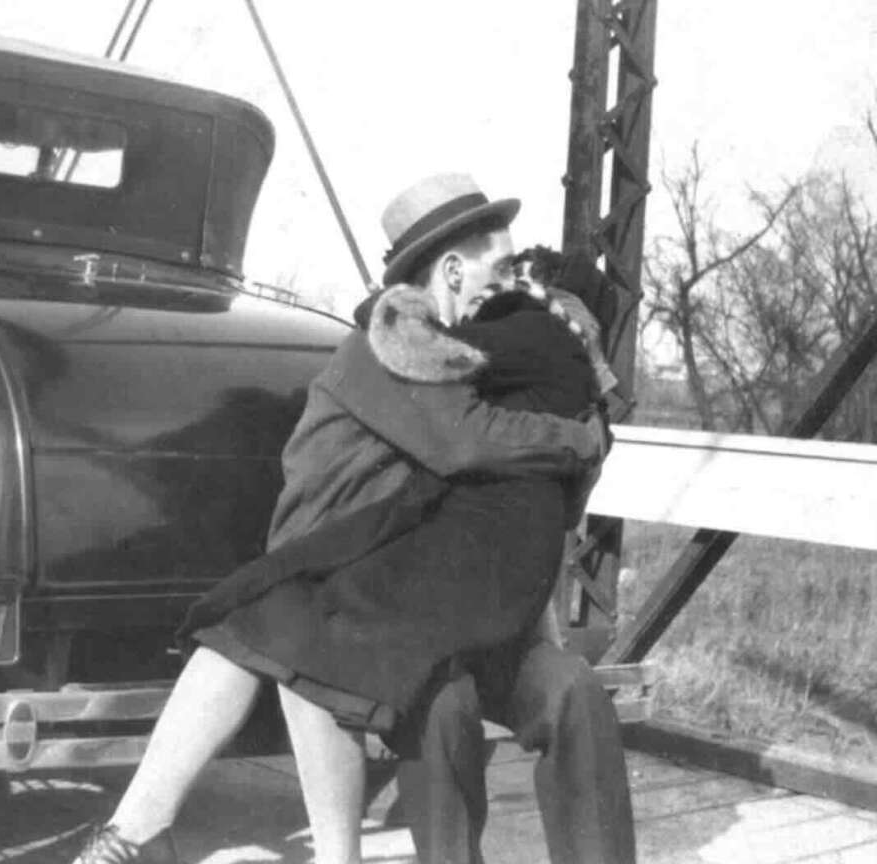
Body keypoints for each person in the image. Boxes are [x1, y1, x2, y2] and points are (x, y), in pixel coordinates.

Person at [72, 173, 609, 864]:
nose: (509, 286)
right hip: (329, 550)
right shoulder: (390, 346)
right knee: (269, 635)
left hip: (380, 559)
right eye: (499, 268)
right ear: (450, 269)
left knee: (250, 636)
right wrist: (581, 440)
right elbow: (469, 440)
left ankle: (138, 834)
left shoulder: (452, 347)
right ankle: (155, 835)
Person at [394, 248, 636, 864]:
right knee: (442, 707)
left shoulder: (549, 383)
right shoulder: (416, 368)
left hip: (503, 631)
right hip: (419, 632)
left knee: (574, 688)